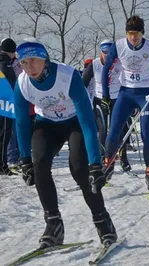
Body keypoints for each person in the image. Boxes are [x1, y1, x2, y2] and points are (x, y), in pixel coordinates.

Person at [14, 38, 117, 247]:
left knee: (80, 169)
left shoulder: (67, 75)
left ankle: (102, 221)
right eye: (24, 63)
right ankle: (53, 225)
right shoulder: (23, 83)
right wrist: (25, 159)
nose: (29, 67)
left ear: (45, 59)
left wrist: (95, 165)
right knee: (39, 163)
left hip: (75, 122)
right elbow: (22, 122)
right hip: (47, 124)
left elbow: (88, 122)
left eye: (33, 60)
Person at [102, 15, 149, 193]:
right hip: (126, 93)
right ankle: (108, 163)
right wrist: (105, 96)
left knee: (146, 134)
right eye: (130, 33)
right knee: (113, 131)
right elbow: (106, 70)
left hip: (146, 94)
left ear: (143, 33)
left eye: (137, 34)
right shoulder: (118, 46)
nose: (133, 38)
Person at [83, 40, 132, 172]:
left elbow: (129, 79)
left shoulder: (119, 63)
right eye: (105, 53)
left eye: (110, 53)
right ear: (101, 52)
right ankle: (103, 159)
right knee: (103, 130)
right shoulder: (94, 64)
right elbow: (84, 82)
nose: (107, 56)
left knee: (120, 129)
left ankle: (123, 158)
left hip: (118, 99)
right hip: (100, 101)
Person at [0, 38, 18, 175]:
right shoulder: (4, 64)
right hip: (4, 104)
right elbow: (11, 83)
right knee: (5, 134)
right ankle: (2, 164)